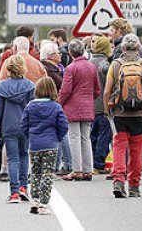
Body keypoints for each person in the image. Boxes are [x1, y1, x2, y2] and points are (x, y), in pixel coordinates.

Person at [104, 33, 142, 198]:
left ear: (123, 47)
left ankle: (118, 181)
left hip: (120, 113)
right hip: (140, 114)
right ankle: (134, 185)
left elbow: (107, 92)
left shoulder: (116, 65)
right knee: (136, 148)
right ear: (138, 48)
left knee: (119, 146)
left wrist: (108, 110)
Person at [22, 76, 68, 215]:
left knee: (35, 172)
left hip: (34, 144)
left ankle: (34, 199)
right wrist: (57, 138)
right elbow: (63, 126)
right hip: (51, 144)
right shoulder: (56, 106)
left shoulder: (30, 106)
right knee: (47, 174)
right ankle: (43, 203)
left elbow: (24, 125)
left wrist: (31, 136)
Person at [0, 55, 34, 204]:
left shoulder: (2, 87)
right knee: (24, 156)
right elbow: (33, 108)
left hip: (8, 126)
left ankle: (14, 192)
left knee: (12, 159)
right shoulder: (30, 86)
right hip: (26, 126)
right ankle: (24, 187)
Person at [58, 39, 98, 181]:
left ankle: (77, 170)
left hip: (72, 107)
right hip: (87, 105)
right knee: (85, 137)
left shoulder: (70, 68)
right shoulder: (92, 67)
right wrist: (88, 99)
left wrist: (59, 102)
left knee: (74, 137)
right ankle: (88, 170)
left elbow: (66, 90)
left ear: (70, 52)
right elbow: (97, 89)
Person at [39, 40, 69, 175]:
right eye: (58, 53)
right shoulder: (48, 69)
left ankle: (58, 165)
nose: (60, 55)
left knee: (60, 134)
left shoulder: (55, 68)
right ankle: (67, 164)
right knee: (62, 134)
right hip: (53, 103)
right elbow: (59, 85)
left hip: (54, 103)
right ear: (50, 55)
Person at [88, 35, 114, 173]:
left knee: (92, 135)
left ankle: (91, 161)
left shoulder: (88, 63)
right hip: (103, 107)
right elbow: (109, 88)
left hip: (90, 106)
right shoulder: (106, 66)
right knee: (104, 135)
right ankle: (99, 163)